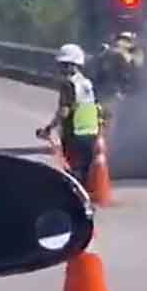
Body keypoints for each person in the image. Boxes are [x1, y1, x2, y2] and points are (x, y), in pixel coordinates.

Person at [36, 43, 101, 191]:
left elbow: (64, 112)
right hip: (91, 133)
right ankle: (86, 199)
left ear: (70, 65)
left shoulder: (68, 84)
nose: (59, 68)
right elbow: (95, 107)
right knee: (84, 171)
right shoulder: (87, 83)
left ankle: (74, 200)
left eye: (62, 65)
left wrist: (48, 128)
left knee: (72, 173)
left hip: (74, 134)